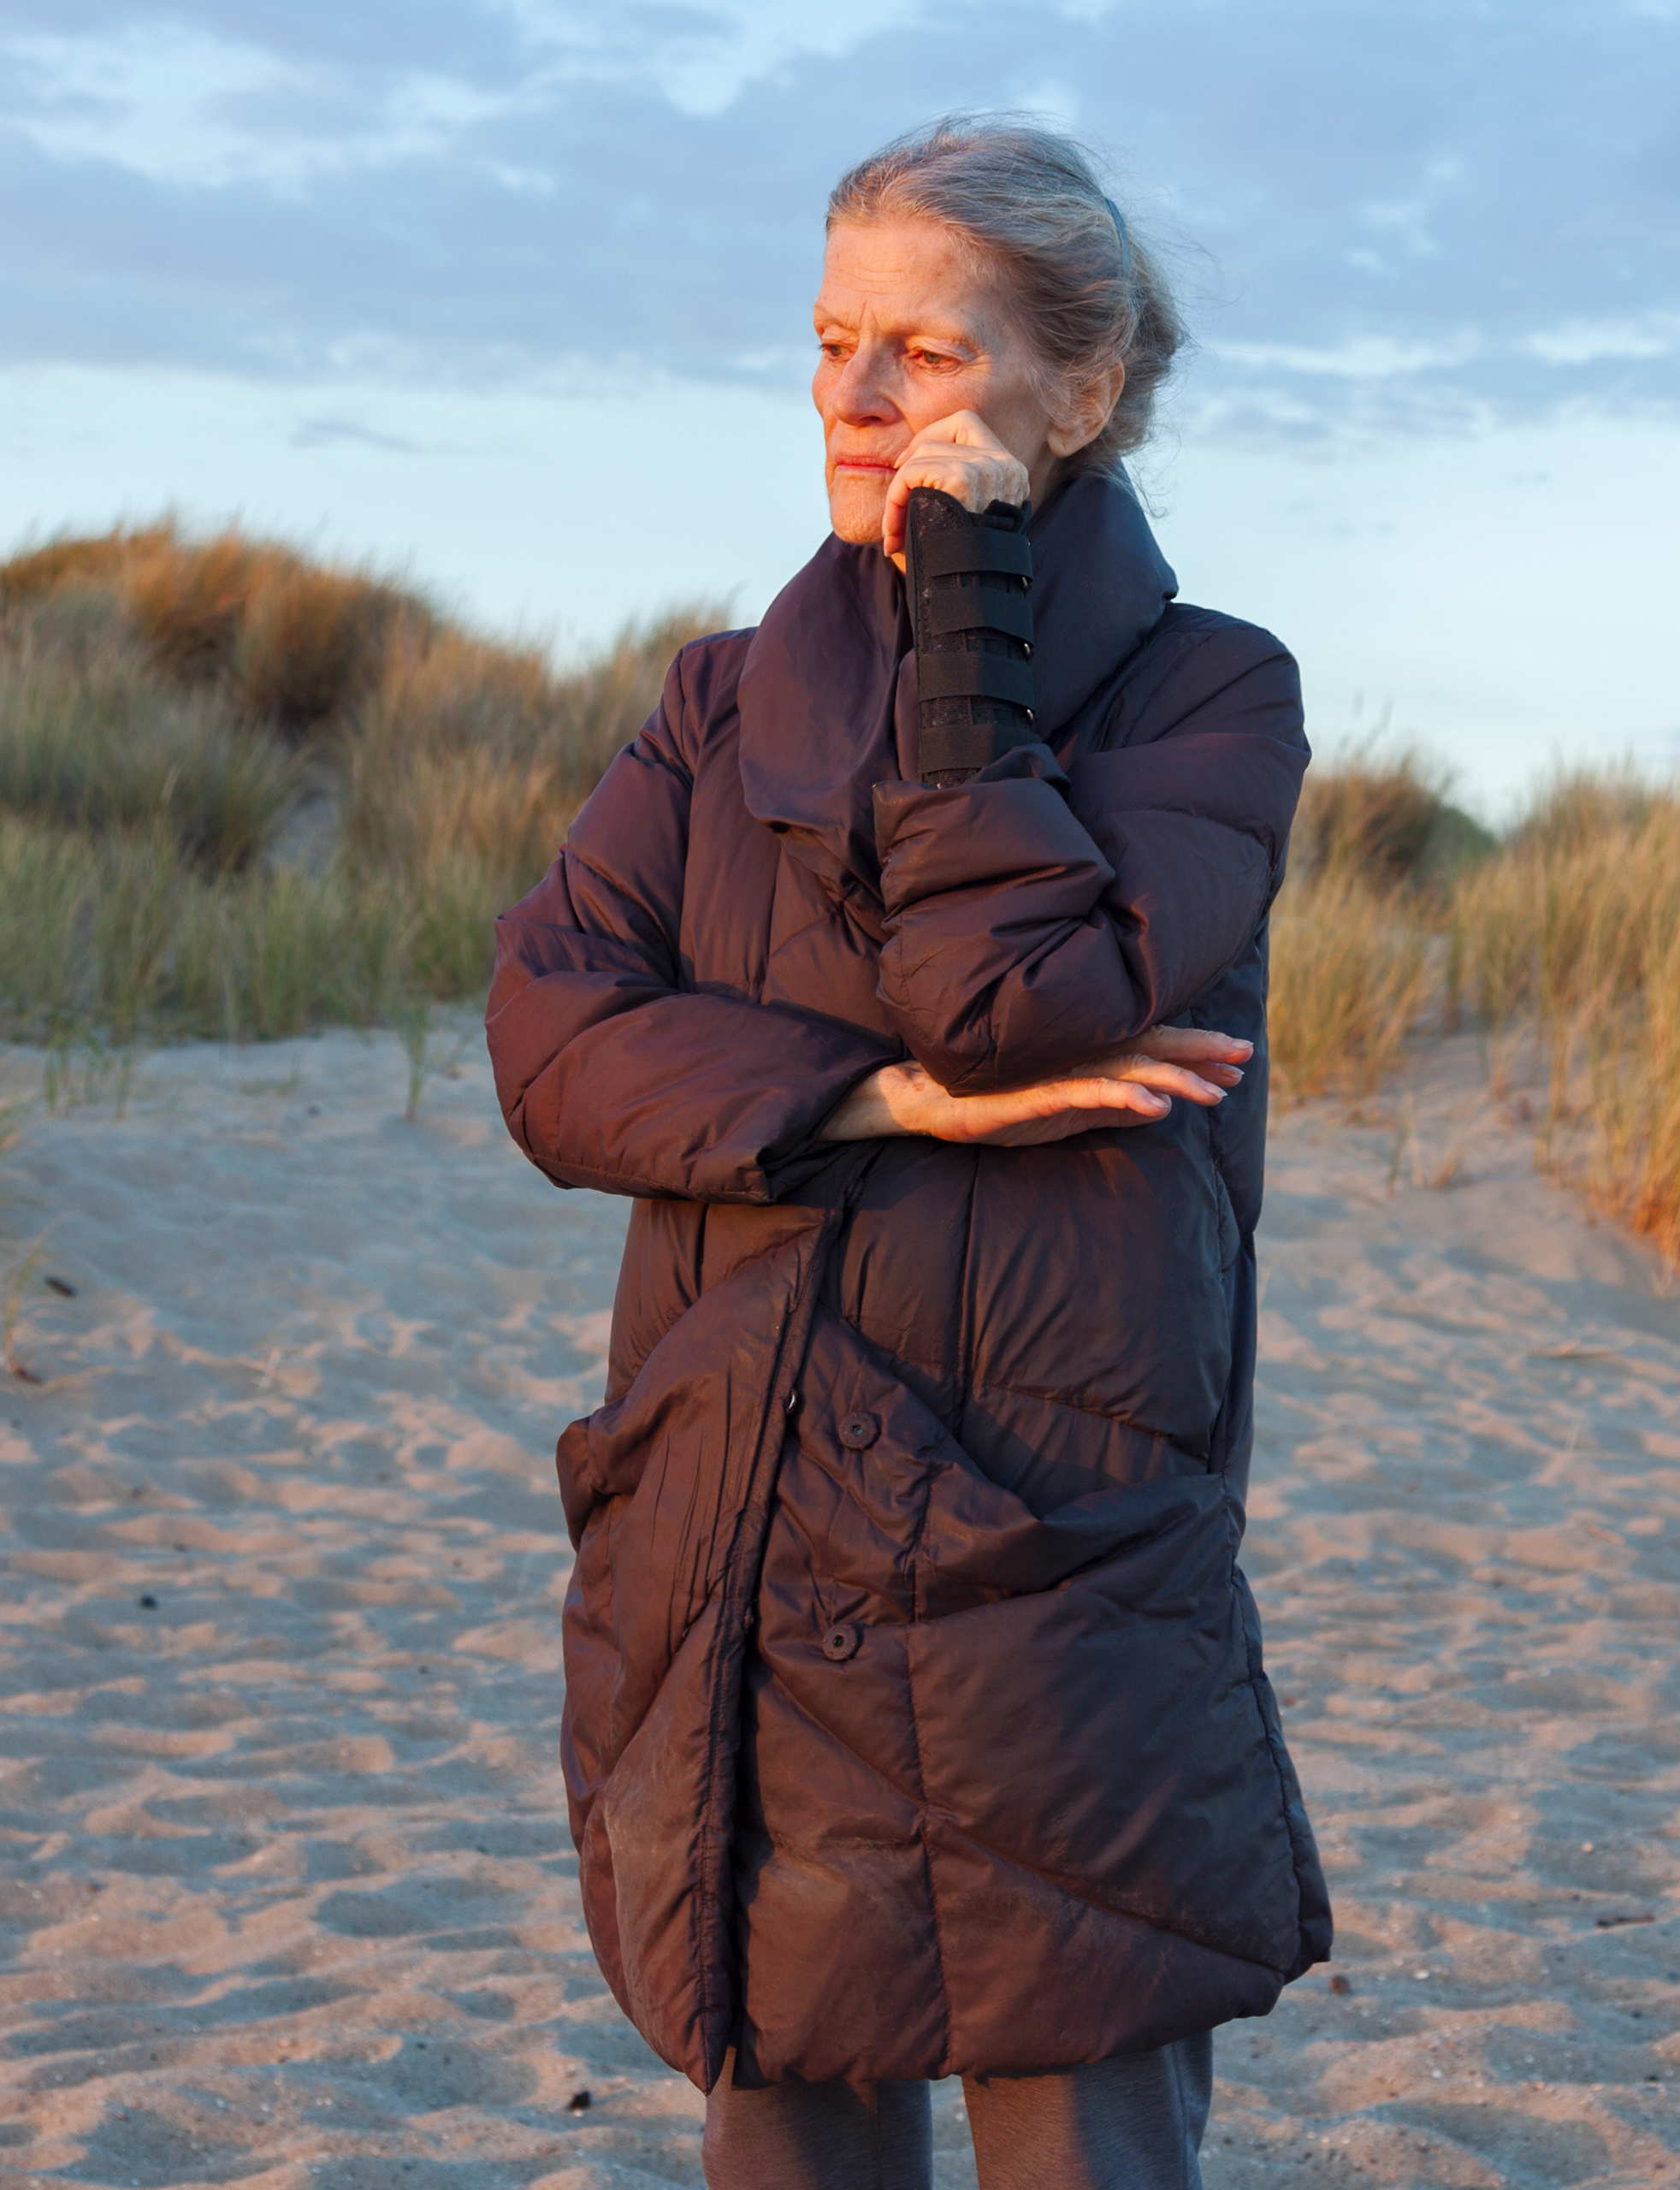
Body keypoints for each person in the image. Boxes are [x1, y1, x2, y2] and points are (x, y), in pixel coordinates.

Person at [487, 112, 1330, 2190]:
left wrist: (965, 592)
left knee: (1082, 2132)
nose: (849, 402)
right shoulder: (713, 707)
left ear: (1084, 386)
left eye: (923, 356)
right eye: (829, 338)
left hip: (1042, 1546)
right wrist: (863, 1099)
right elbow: (548, 1042)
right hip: (743, 1507)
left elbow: (1015, 993)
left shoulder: (1207, 695)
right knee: (787, 2122)